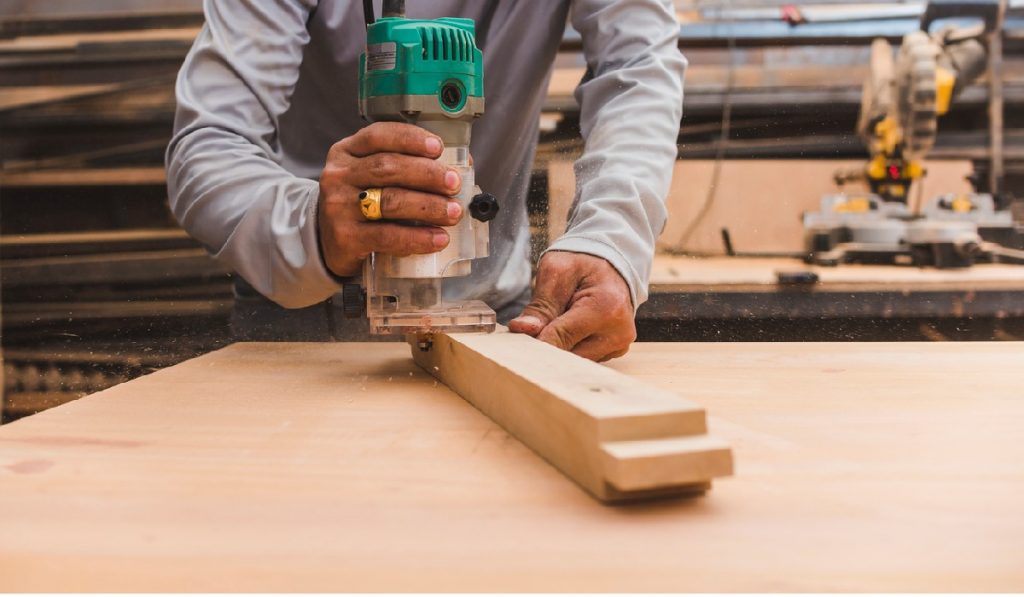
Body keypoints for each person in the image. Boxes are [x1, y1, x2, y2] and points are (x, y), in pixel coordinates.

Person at [166, 0, 685, 362]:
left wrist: (610, 240)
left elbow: (639, 71)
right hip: (303, 303)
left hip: (494, 306)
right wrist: (314, 225)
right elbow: (207, 145)